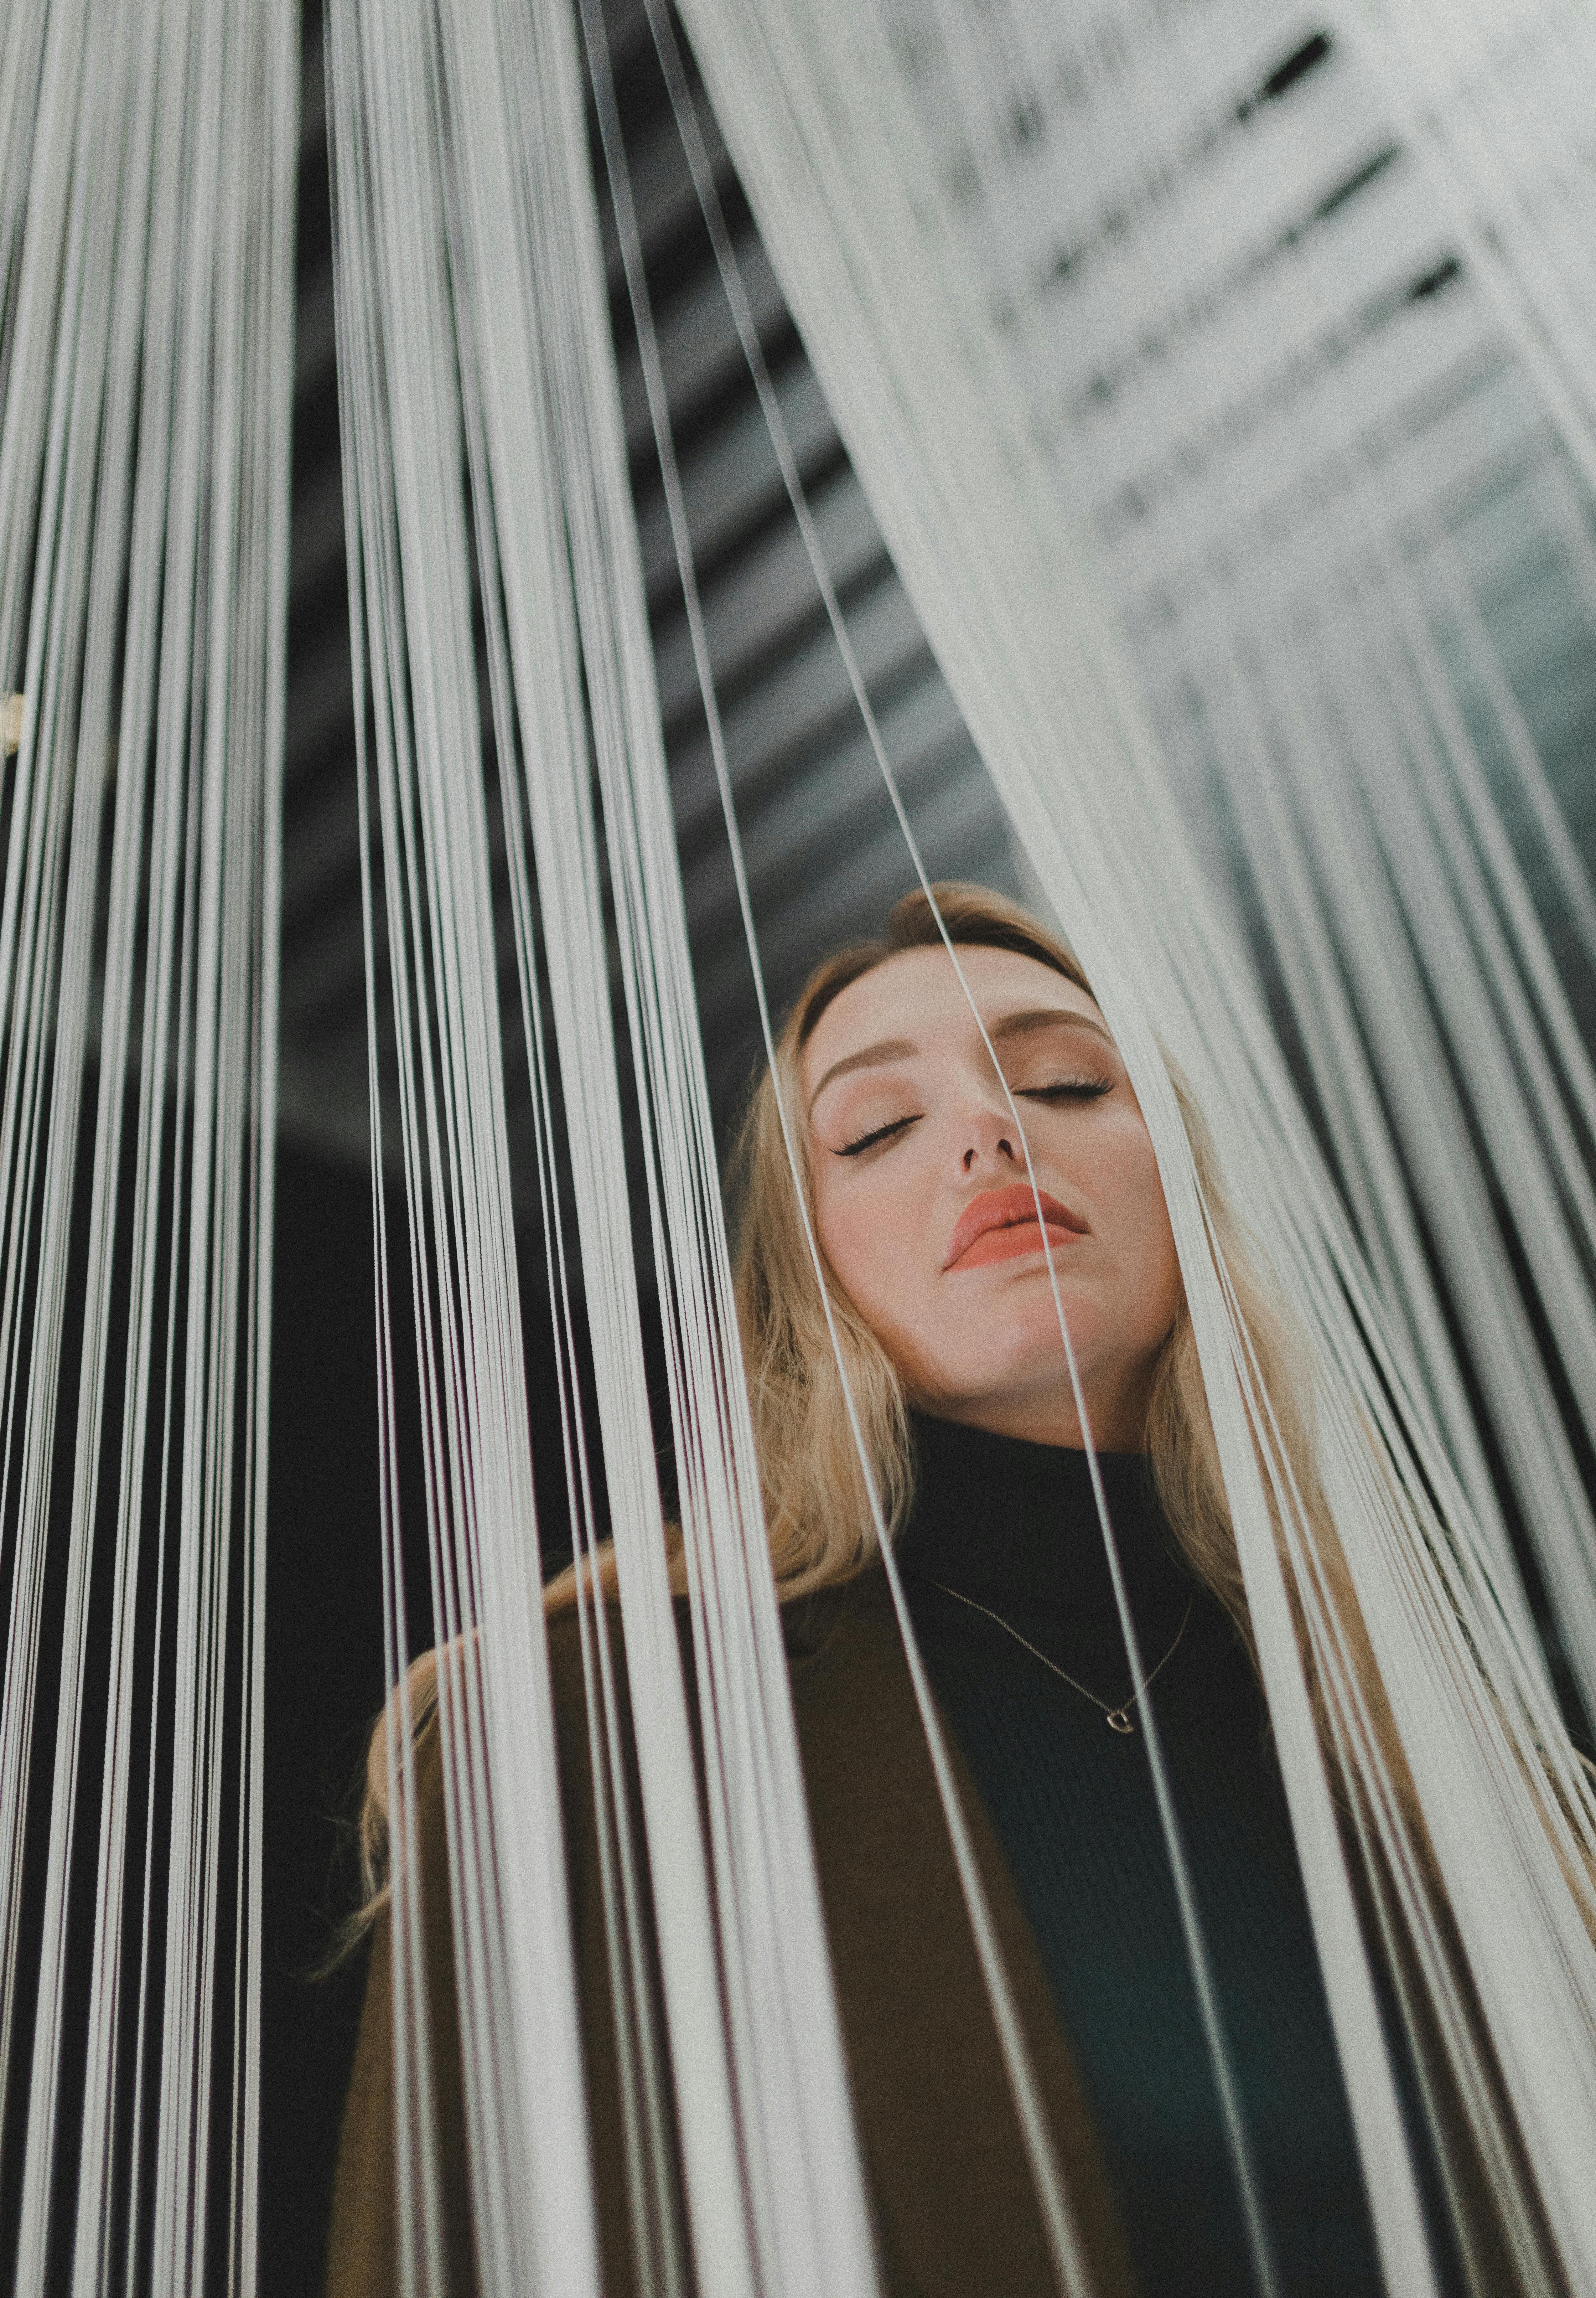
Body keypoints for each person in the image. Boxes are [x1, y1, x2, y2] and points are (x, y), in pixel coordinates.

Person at [326, 883, 1525, 2298]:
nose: (989, 1131)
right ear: (805, 1272)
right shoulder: (606, 1731)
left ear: (1191, 1186)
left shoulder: (1429, 1741)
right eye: (877, 1128)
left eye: (1068, 1081)